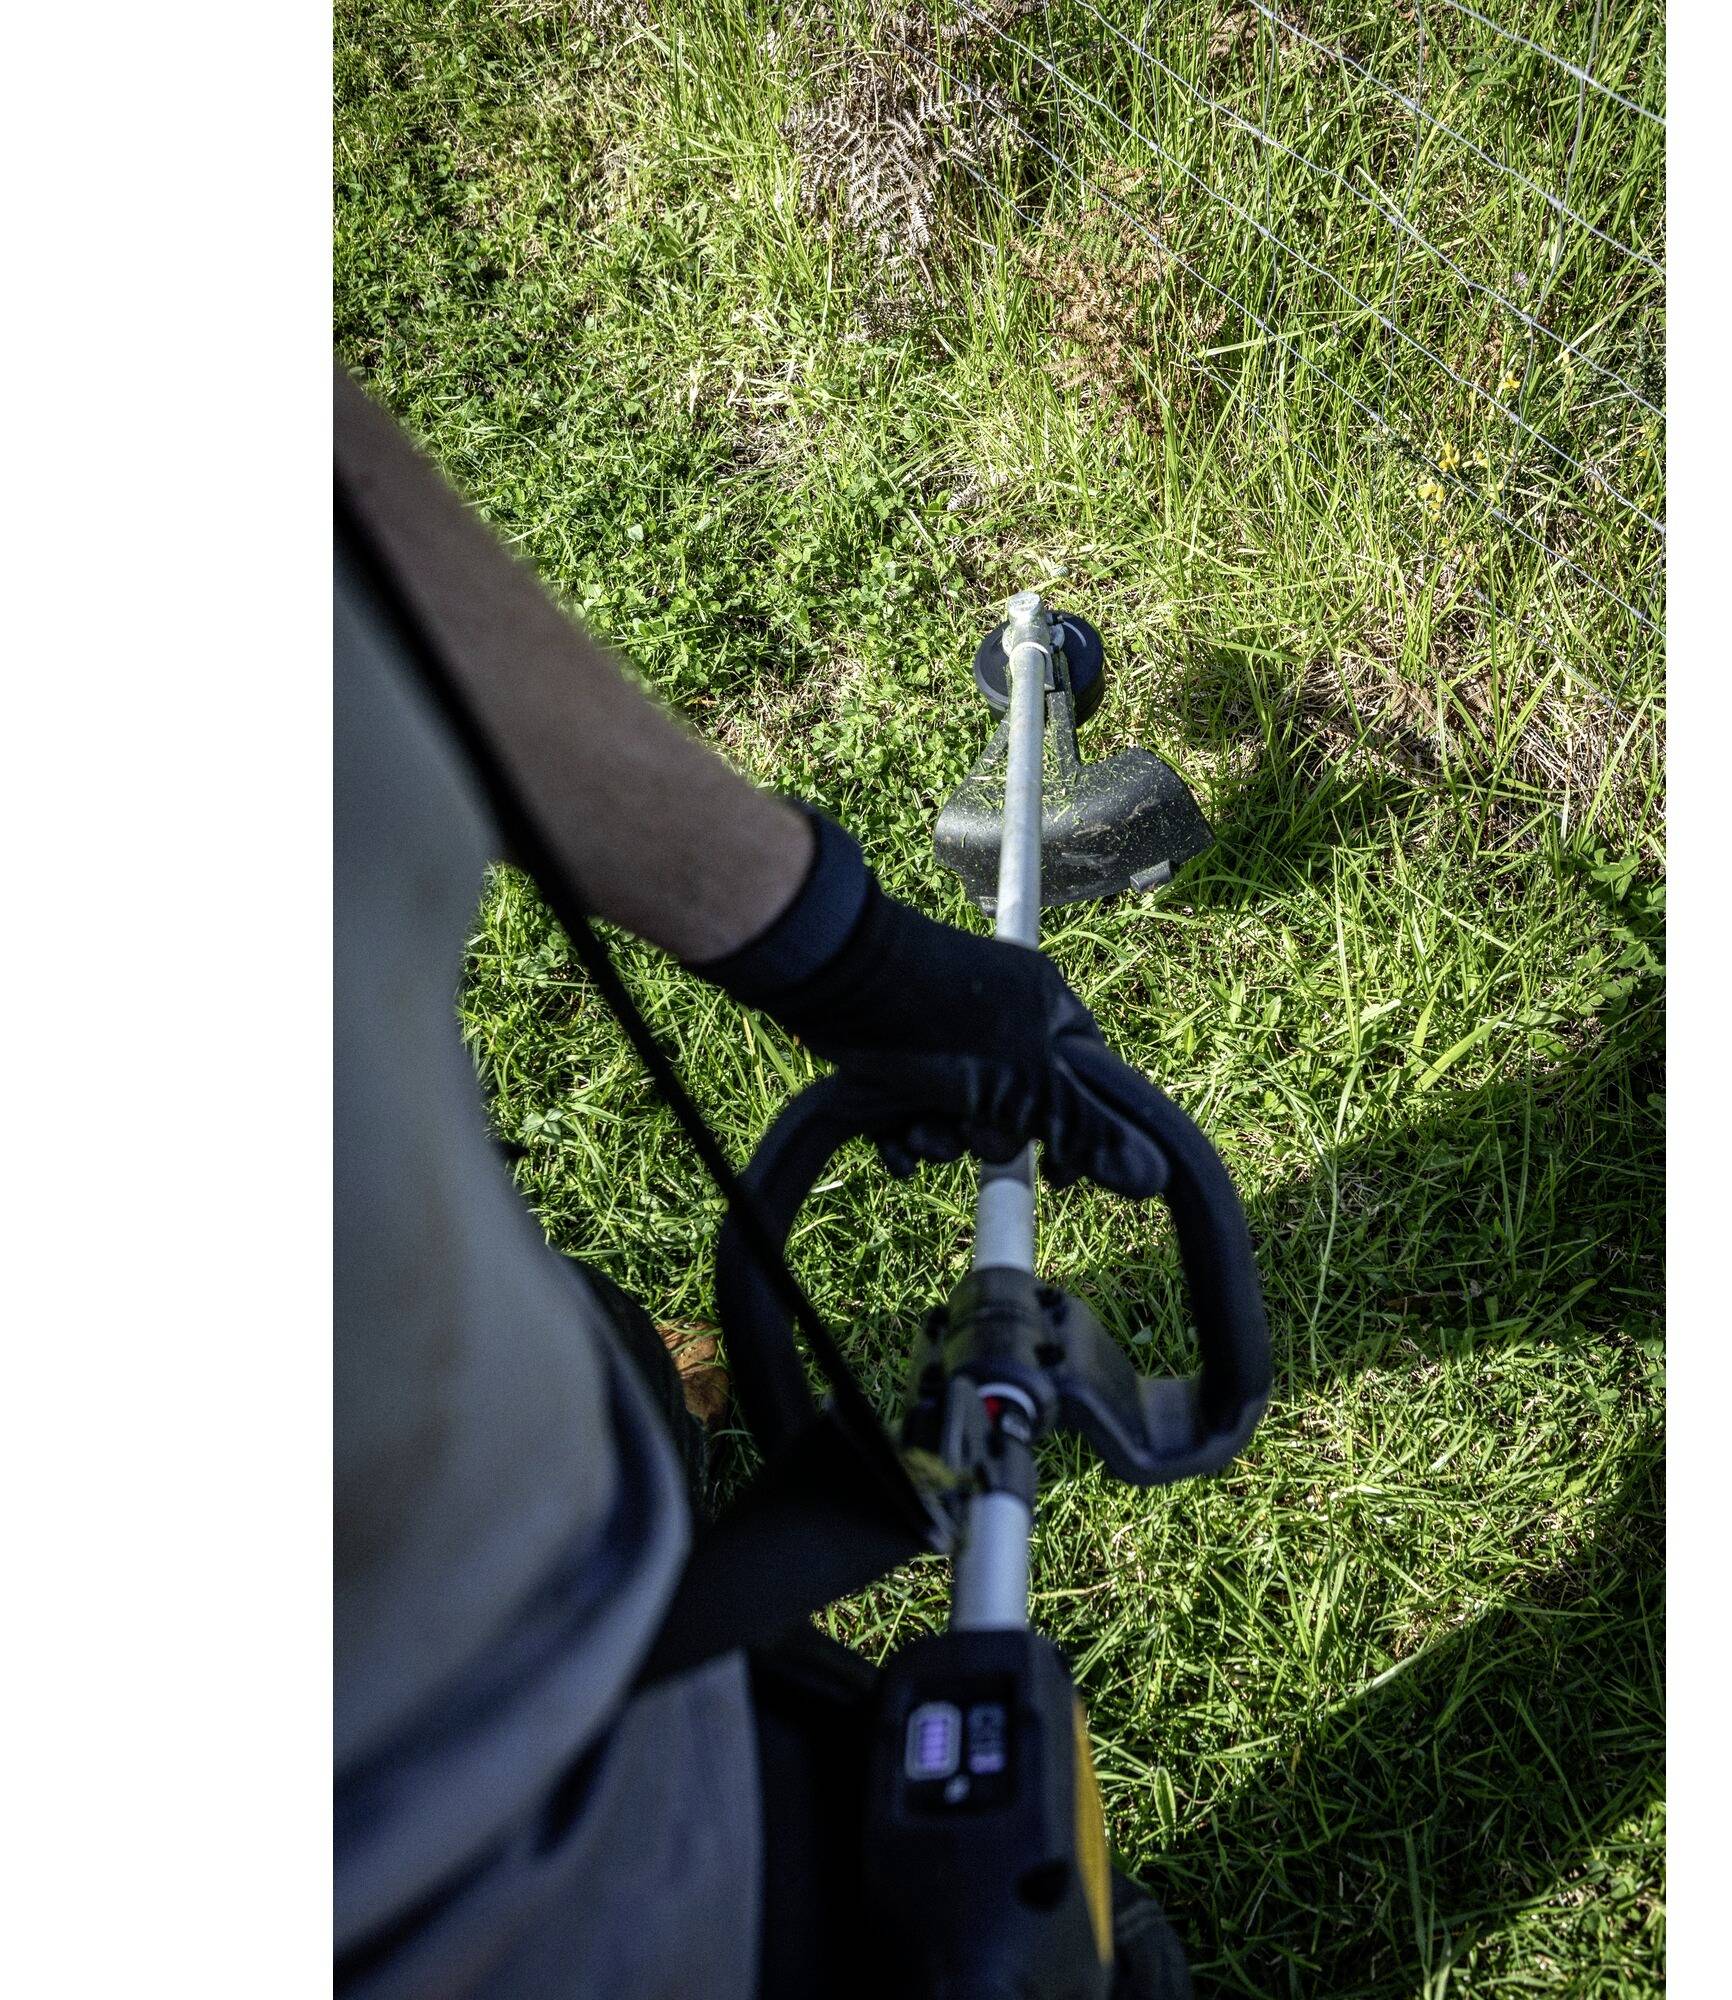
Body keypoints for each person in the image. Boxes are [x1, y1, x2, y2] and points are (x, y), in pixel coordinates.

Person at [333, 370, 1191, 1997]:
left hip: (519, 1520)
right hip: (495, 1904)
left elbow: (336, 498)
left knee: (607, 1373)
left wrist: (832, 945)